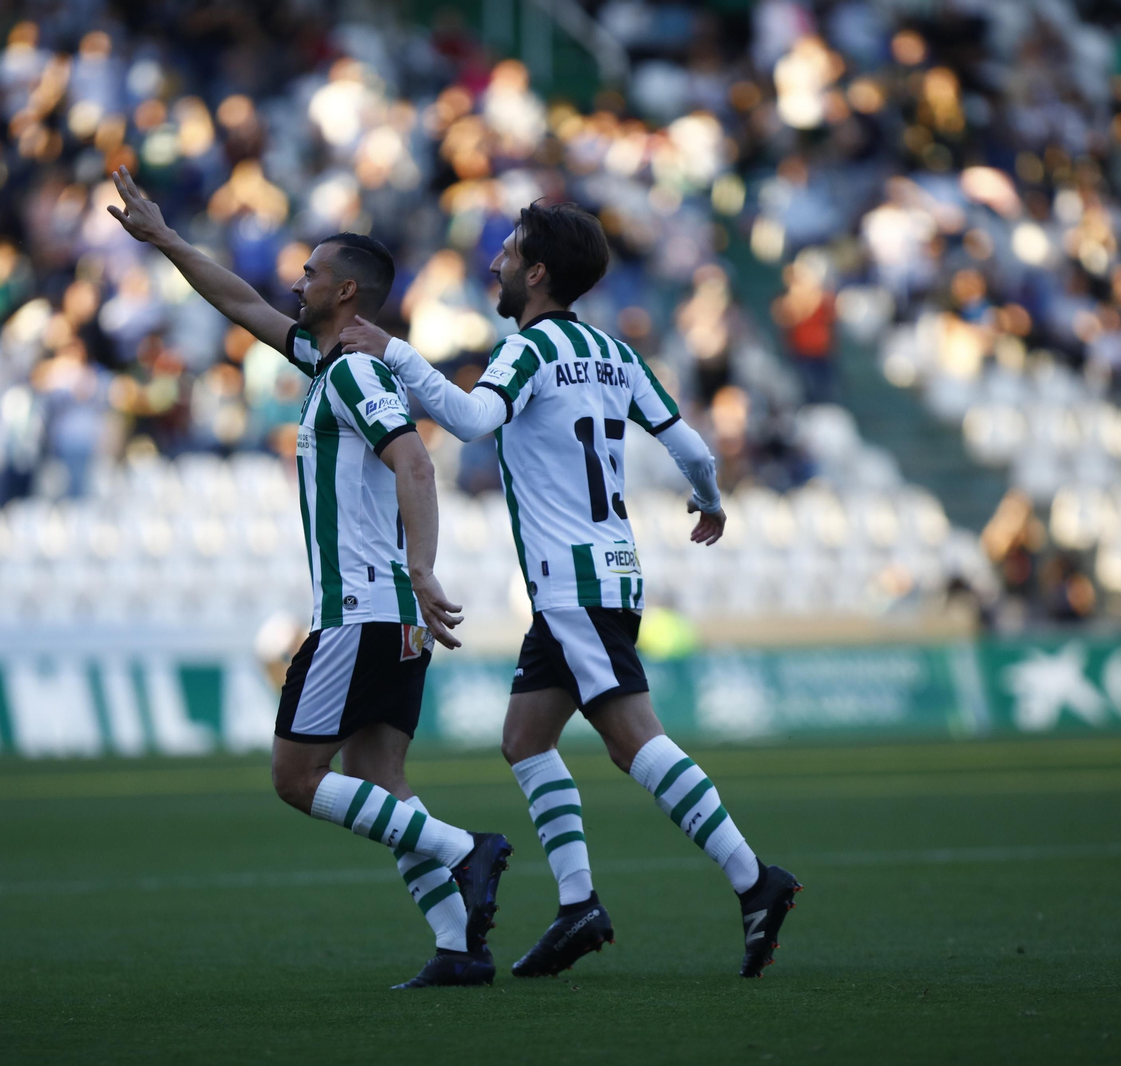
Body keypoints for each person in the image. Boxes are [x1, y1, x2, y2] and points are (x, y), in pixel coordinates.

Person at [342, 201, 801, 979]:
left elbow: (468, 420)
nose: (495, 265)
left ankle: (755, 880)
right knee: (525, 738)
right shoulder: (614, 351)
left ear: (538, 273)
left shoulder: (527, 350)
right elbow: (688, 443)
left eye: (508, 254)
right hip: (610, 574)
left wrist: (395, 350)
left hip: (571, 584)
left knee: (634, 740)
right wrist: (712, 501)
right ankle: (578, 904)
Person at [108, 167, 512, 989]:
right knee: (379, 780)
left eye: (311, 273)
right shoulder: (328, 362)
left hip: (360, 611)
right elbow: (243, 306)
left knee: (297, 780)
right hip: (385, 616)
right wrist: (169, 240)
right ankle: (459, 948)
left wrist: (423, 567)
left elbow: (415, 463)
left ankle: (464, 848)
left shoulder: (357, 375)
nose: (295, 281)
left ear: (347, 291)